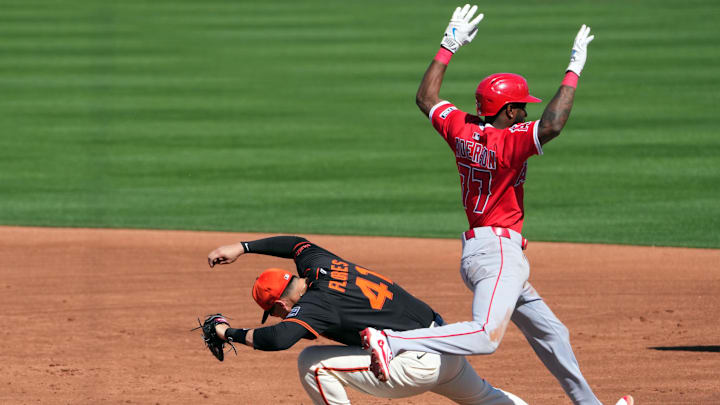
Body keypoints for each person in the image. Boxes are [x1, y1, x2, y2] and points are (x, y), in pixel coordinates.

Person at [360, 5, 634, 405]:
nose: (526, 111)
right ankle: (393, 340)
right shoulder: (510, 142)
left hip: (482, 252)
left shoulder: (461, 127)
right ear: (508, 111)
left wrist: (448, 44)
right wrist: (573, 69)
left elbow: (426, 97)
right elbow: (553, 124)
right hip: (497, 253)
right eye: (521, 106)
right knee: (485, 336)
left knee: (552, 333)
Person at [206, 235, 528, 405]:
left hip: (413, 364)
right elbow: (294, 244)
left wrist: (226, 331)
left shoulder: (316, 305)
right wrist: (243, 247)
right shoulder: (320, 263)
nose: (279, 317)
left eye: (274, 312)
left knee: (312, 364)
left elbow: (278, 340)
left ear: (279, 303)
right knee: (488, 399)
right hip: (443, 344)